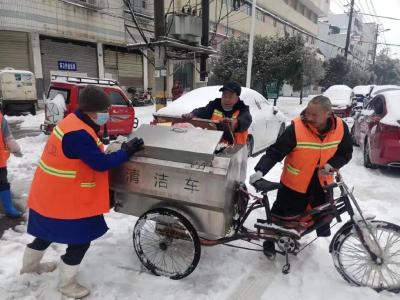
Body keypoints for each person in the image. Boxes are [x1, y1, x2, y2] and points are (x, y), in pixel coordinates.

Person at [20, 85, 144, 299]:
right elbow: (100, 164)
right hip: (68, 201)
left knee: (45, 233)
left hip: (50, 194)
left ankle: (29, 267)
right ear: (93, 111)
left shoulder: (74, 122)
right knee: (79, 241)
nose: (107, 114)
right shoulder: (78, 134)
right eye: (105, 110)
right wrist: (126, 152)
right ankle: (66, 284)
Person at [249, 95, 353, 258]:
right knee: (281, 217)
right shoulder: (296, 128)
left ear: (328, 114)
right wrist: (260, 170)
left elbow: (346, 153)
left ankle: (291, 238)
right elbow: (276, 152)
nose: (308, 117)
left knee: (316, 216)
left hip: (321, 182)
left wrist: (332, 164)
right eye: (308, 113)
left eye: (314, 115)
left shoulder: (340, 128)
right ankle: (269, 241)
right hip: (294, 183)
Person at [181, 81, 252, 145]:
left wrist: (235, 123)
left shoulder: (243, 108)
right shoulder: (215, 104)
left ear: (237, 97)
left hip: (235, 151)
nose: (226, 99)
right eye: (224, 96)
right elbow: (203, 111)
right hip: (214, 147)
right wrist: (193, 114)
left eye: (230, 97)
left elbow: (246, 119)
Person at [0, 112, 23, 218]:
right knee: (2, 183)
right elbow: (8, 138)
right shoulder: (0, 119)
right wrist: (16, 150)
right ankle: (9, 209)